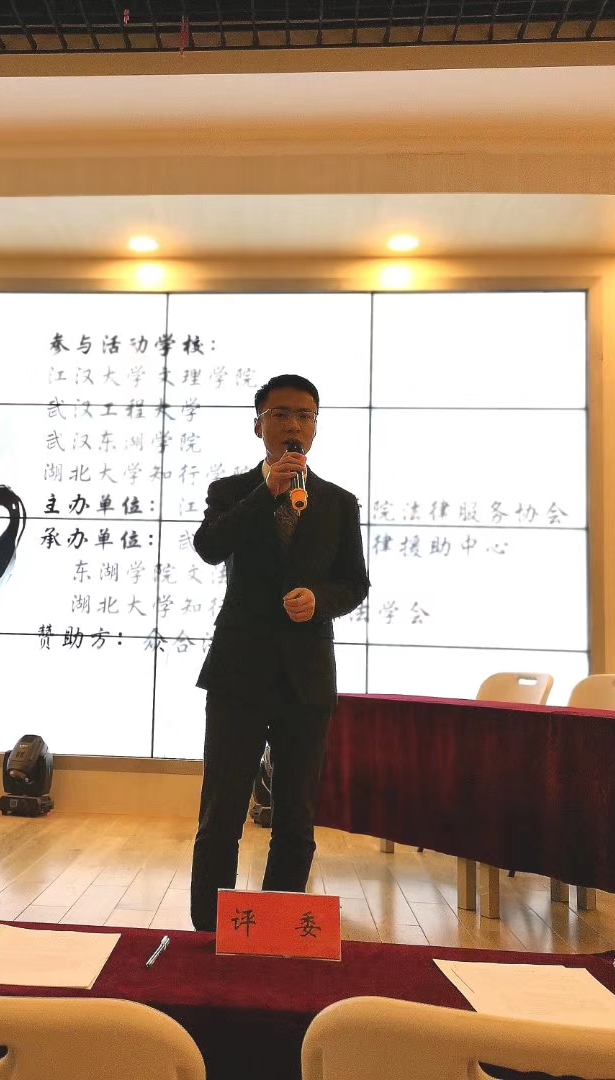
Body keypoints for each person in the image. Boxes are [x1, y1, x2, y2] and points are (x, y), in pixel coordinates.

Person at [189, 373, 370, 932]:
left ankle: (277, 929)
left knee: (296, 816)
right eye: (282, 414)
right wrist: (265, 492)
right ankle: (209, 931)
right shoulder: (230, 491)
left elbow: (355, 583)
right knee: (222, 813)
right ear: (258, 425)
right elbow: (209, 547)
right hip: (238, 672)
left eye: (305, 415)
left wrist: (319, 601)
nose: (294, 424)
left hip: (306, 678)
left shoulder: (338, 503)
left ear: (316, 427)